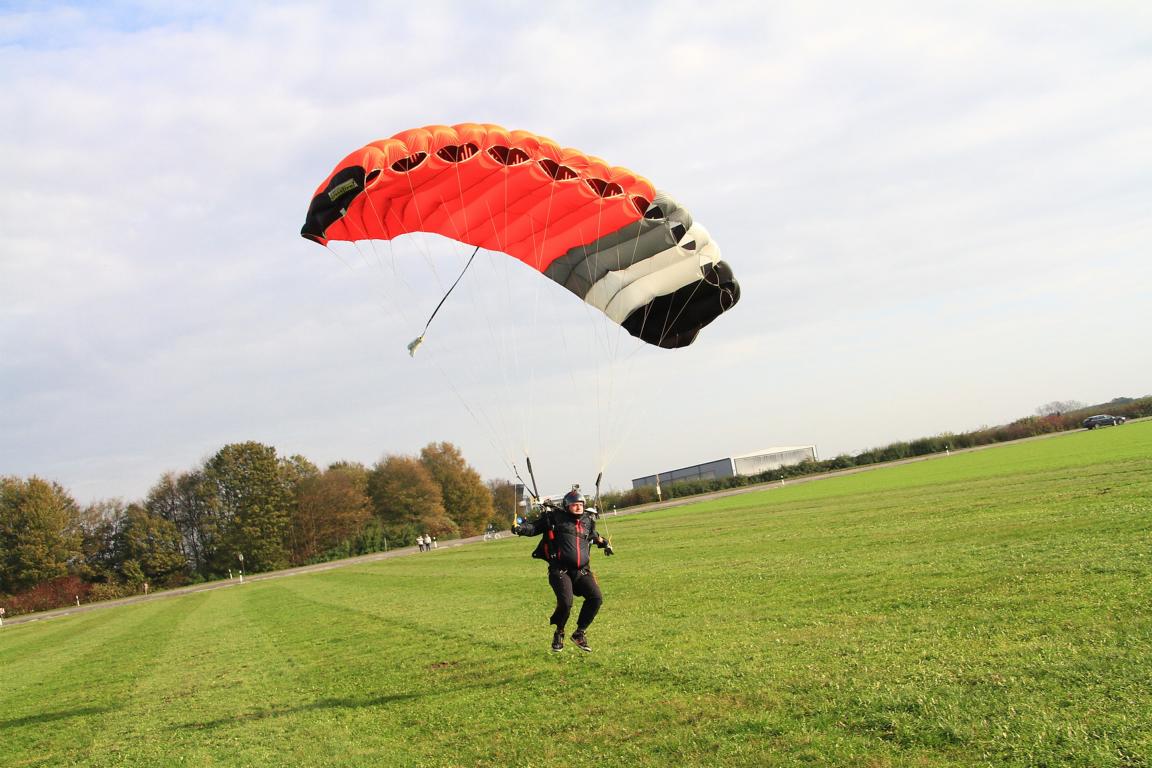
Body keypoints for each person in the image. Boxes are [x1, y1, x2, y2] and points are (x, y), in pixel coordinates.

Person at [512, 488, 614, 652]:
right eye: (574, 505)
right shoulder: (554, 518)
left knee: (596, 598)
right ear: (567, 506)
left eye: (581, 504)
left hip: (582, 571)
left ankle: (579, 633)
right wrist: (520, 529)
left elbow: (593, 536)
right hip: (560, 571)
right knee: (566, 603)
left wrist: (605, 544)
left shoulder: (587, 521)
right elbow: (533, 528)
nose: (578, 507)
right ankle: (559, 632)